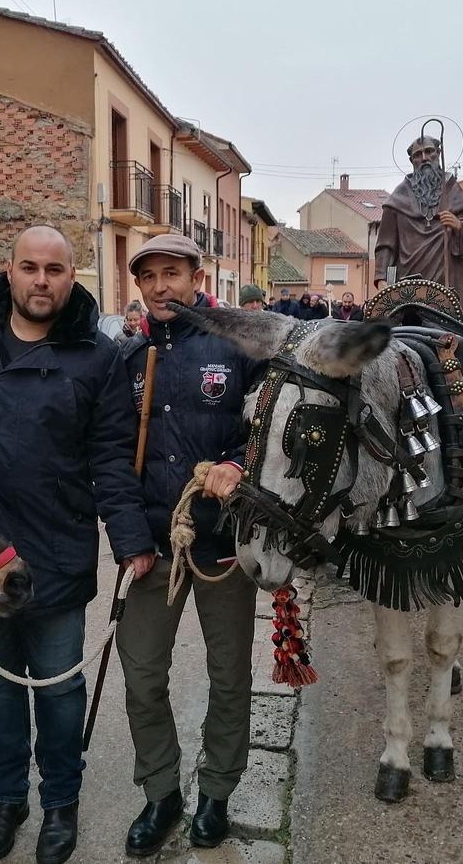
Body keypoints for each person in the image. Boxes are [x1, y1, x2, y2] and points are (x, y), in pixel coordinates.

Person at [0, 225, 155, 864]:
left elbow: (112, 458)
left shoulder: (96, 357)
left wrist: (131, 540)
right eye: (30, 268)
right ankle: (6, 800)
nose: (42, 280)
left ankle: (60, 804)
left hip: (56, 550)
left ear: (73, 277)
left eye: (56, 270)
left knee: (60, 690)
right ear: (8, 272)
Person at [116, 233, 264, 856]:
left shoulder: (236, 346)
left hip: (223, 547)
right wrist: (129, 540)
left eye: (171, 274)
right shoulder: (126, 359)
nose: (159, 287)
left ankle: (216, 791)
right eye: (148, 277)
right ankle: (161, 792)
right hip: (155, 545)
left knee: (229, 676)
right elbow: (110, 457)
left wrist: (241, 463)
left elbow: (277, 423)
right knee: (142, 672)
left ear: (197, 276)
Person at [374, 134, 463, 309]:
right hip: (409, 282)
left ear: (438, 154)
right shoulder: (398, 199)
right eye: (418, 155)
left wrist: (459, 227)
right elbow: (386, 244)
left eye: (429, 151)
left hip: (448, 283)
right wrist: (381, 280)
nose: (424, 158)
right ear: (412, 161)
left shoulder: (454, 193)